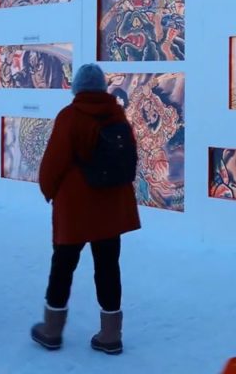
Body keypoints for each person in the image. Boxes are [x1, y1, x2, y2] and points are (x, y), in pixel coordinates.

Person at [30, 63, 141, 355]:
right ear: (103, 87)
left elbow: (53, 162)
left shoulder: (70, 117)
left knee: (63, 266)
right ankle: (110, 334)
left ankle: (52, 330)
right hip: (110, 206)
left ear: (77, 87)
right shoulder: (117, 115)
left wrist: (48, 189)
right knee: (108, 267)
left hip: (76, 207)